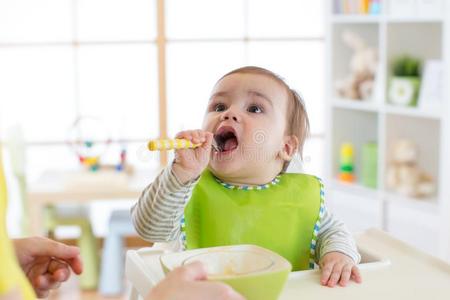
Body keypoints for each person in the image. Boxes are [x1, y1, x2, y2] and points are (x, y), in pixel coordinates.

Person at [132, 66, 363, 288]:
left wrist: (338, 254)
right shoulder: (186, 188)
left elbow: (333, 231)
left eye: (254, 109)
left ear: (286, 147)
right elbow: (148, 228)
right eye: (219, 105)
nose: (229, 113)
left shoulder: (300, 198)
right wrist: (181, 174)